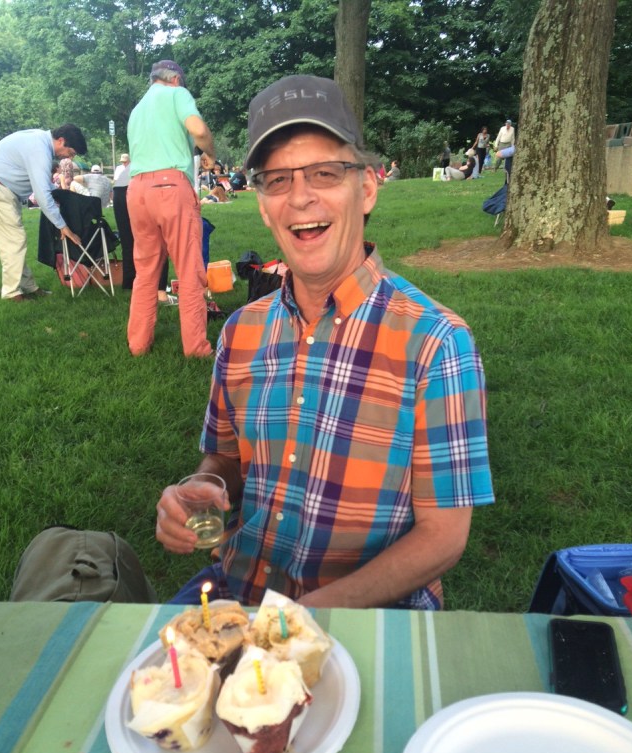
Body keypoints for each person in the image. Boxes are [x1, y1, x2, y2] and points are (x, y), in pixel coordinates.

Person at [155, 74, 494, 610]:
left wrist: (298, 620)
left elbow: (443, 536)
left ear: (366, 189)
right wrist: (199, 492)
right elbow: (221, 463)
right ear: (263, 205)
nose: (301, 197)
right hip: (238, 593)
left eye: (325, 173)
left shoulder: (436, 343)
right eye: (277, 180)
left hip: (377, 613)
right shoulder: (241, 332)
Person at [126, 59, 215, 356]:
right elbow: (199, 130)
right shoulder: (177, 94)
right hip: (171, 186)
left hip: (136, 189)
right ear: (176, 79)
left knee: (146, 270)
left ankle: (138, 344)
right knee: (190, 269)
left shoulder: (136, 110)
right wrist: (210, 154)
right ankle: (196, 348)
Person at [0, 123, 87, 301]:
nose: (70, 157)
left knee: (11, 242)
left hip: (3, 190)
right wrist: (62, 226)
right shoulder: (40, 149)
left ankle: (28, 287)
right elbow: (42, 195)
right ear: (61, 141)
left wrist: (62, 197)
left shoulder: (39, 141)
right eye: (72, 152)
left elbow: (46, 186)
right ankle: (11, 293)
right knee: (14, 240)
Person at [112, 152, 172, 302]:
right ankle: (160, 291)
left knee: (128, 240)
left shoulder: (139, 156)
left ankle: (129, 284)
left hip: (120, 190)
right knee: (159, 239)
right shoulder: (164, 155)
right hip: (140, 187)